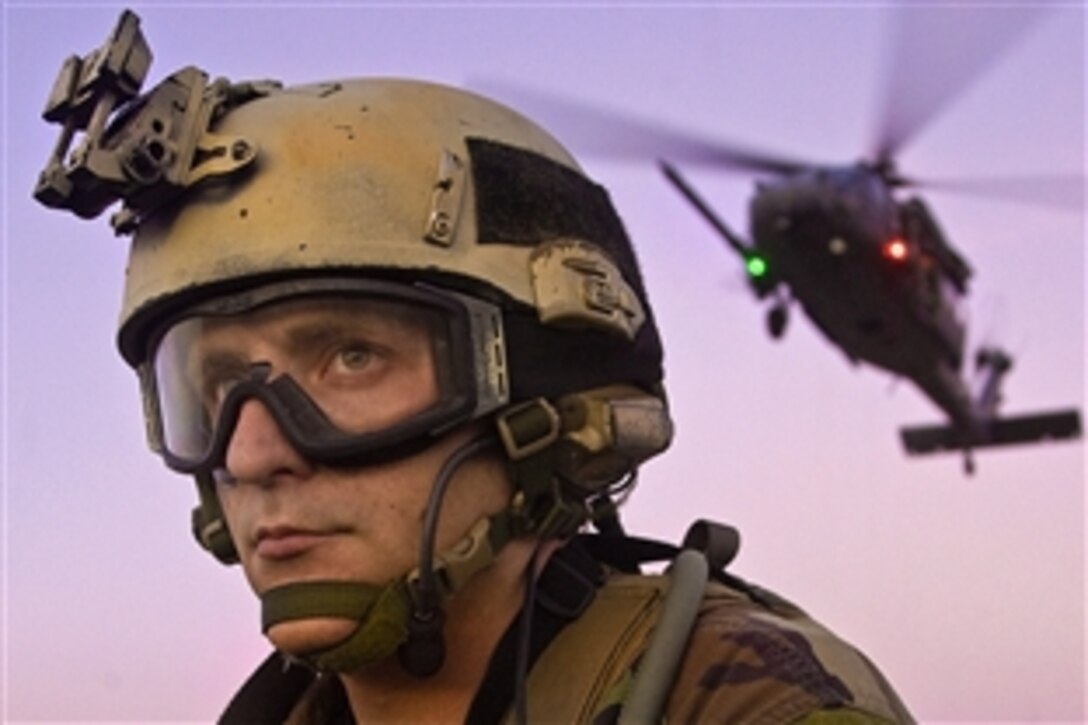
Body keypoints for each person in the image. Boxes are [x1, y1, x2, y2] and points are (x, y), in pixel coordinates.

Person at [34, 10, 912, 724]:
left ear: (546, 400)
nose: (258, 453)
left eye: (350, 357)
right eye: (217, 388)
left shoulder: (746, 702)